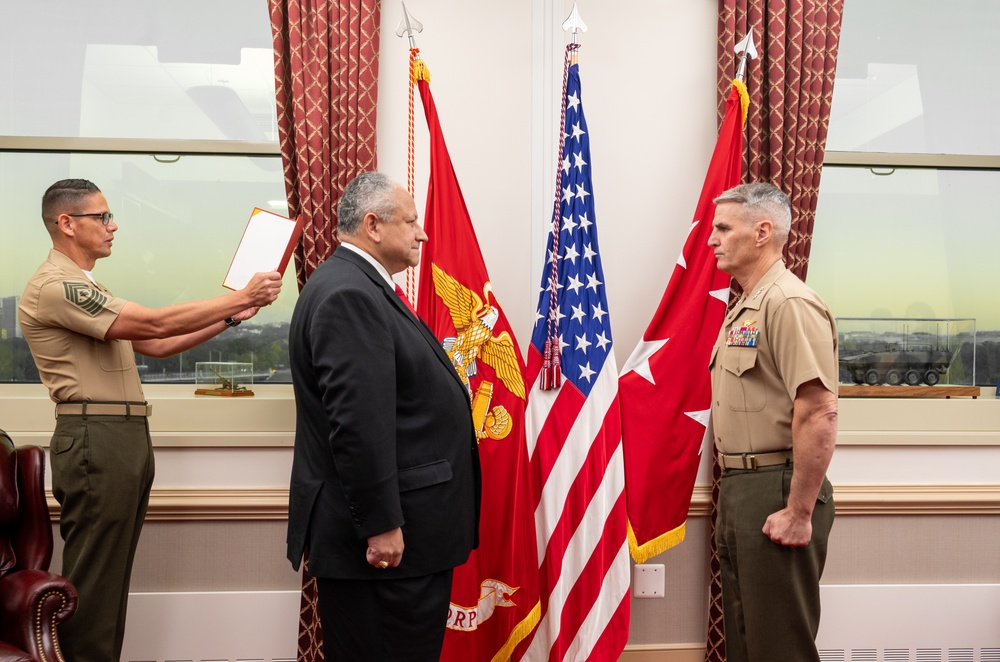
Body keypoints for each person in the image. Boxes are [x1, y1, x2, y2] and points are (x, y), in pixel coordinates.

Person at [18, 179, 282, 661]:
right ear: (67, 224)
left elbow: (156, 345)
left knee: (110, 582)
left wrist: (234, 314)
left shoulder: (88, 286)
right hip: (96, 437)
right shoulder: (56, 286)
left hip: (120, 434)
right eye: (102, 217)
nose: (112, 225)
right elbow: (155, 324)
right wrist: (238, 294)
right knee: (95, 586)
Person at [286, 172, 480, 660]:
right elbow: (358, 425)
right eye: (412, 221)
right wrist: (381, 525)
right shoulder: (350, 294)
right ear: (372, 225)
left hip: (403, 539)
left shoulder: (359, 284)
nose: (423, 233)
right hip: (386, 545)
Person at [707, 182, 838, 662]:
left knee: (779, 646)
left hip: (778, 486)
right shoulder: (748, 304)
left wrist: (799, 511)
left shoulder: (788, 303)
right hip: (744, 485)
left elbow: (819, 409)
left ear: (762, 232)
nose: (712, 239)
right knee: (747, 641)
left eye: (724, 227)